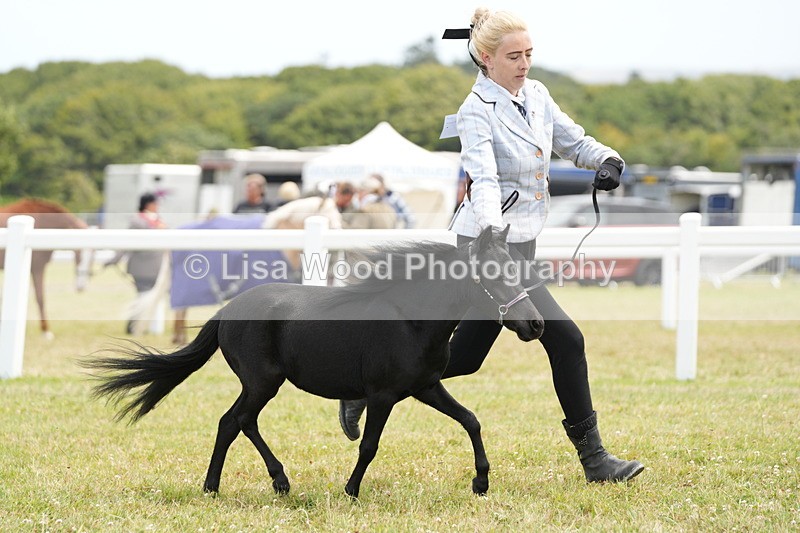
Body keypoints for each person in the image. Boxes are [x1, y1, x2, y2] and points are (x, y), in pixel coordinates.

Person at [338, 7, 644, 484]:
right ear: (486, 57)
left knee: (464, 358)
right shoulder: (475, 112)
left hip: (519, 246)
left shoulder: (537, 95)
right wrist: (492, 235)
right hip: (484, 245)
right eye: (514, 56)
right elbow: (483, 178)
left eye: (529, 55)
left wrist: (606, 159)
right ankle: (596, 462)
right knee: (567, 340)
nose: (524, 64)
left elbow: (572, 141)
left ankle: (364, 387)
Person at [105, 192, 169, 334]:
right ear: (148, 204)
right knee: (144, 296)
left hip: (158, 266)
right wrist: (115, 259)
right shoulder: (137, 221)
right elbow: (128, 242)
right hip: (142, 266)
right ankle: (135, 326)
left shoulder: (159, 221)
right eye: (155, 203)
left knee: (148, 297)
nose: (157, 206)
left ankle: (141, 326)